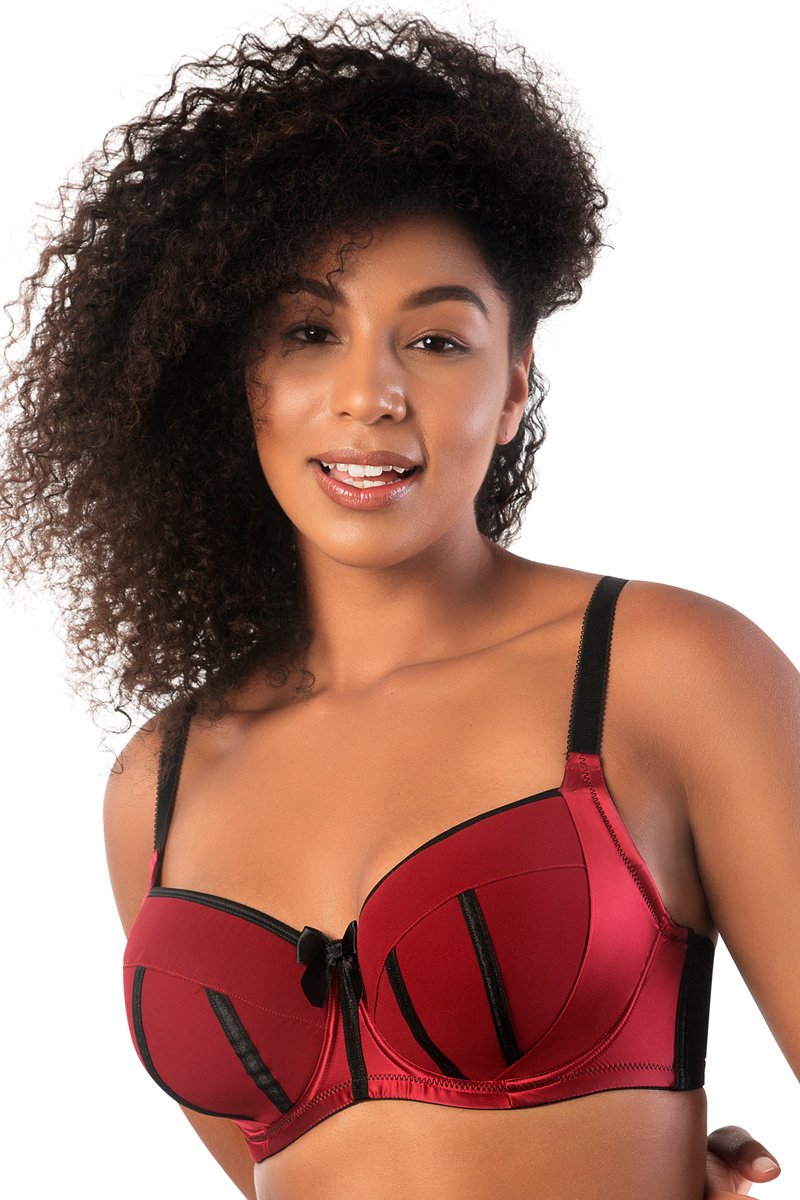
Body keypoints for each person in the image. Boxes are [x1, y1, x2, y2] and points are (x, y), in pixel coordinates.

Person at [0, 8, 795, 1199]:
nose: (367, 394)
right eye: (309, 332)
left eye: (433, 340)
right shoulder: (157, 786)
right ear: (236, 377)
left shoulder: (668, 671)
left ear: (512, 387)